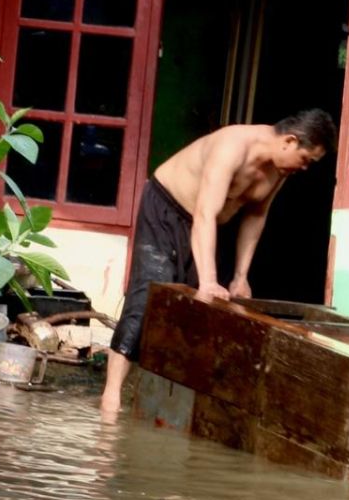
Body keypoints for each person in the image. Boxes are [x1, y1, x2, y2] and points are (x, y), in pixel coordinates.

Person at [100, 109, 336, 413]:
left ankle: (163, 403)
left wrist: (240, 276)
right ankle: (111, 397)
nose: (304, 168)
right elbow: (204, 213)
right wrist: (209, 280)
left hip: (210, 226)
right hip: (166, 208)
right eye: (306, 160)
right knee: (146, 298)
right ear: (289, 141)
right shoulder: (232, 146)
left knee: (202, 309)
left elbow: (255, 214)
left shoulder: (280, 168)